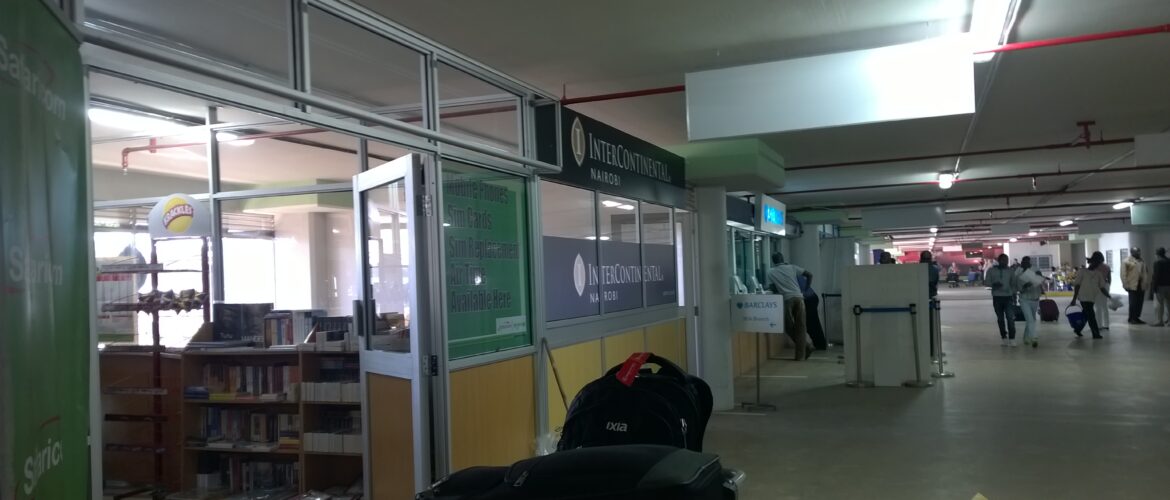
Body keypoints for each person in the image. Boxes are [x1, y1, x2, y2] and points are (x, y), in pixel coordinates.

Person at [767, 252, 814, 360]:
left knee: (788, 327)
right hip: (799, 298)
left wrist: (780, 286)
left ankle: (807, 346)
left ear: (773, 261)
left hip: (787, 300)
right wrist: (805, 290)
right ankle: (801, 355)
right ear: (783, 258)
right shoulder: (792, 267)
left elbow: (772, 288)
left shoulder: (770, 272)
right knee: (801, 327)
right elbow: (809, 274)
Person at [1072, 251, 1110, 339]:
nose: (1098, 265)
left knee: (1086, 315)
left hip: (1092, 297)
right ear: (1092, 261)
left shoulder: (1098, 274)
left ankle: (1077, 329)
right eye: (1097, 262)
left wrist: (1109, 296)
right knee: (1091, 315)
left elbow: (1102, 287)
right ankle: (1095, 333)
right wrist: (1074, 298)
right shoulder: (1082, 272)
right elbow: (1077, 285)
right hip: (1083, 297)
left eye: (1099, 263)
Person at [985, 254, 1019, 346]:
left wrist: (1013, 294)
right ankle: (1004, 337)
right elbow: (986, 282)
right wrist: (993, 284)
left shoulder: (1011, 271)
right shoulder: (991, 271)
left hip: (1008, 298)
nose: (1005, 262)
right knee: (1000, 319)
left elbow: (1014, 284)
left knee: (1010, 319)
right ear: (999, 261)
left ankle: (1012, 338)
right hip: (997, 298)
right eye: (1003, 260)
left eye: (1006, 260)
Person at [1016, 257, 1045, 348]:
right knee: (1030, 319)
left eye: (1027, 263)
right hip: (1024, 299)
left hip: (1035, 298)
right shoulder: (1018, 273)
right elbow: (1018, 288)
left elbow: (1041, 281)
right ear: (1021, 263)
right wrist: (1025, 286)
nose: (1025, 264)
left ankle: (1026, 337)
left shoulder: (1035, 270)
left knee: (1031, 319)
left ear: (1030, 263)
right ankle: (1034, 338)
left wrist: (1040, 277)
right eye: (1023, 263)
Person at [1122, 247, 1152, 325]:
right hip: (1132, 285)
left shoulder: (1142, 261)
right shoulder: (1126, 261)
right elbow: (1123, 274)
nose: (1139, 253)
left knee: (1139, 302)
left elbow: (1146, 272)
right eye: (1137, 252)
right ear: (1132, 252)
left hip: (1141, 284)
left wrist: (1147, 282)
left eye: (1139, 251)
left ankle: (1136, 317)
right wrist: (1125, 285)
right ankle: (1131, 318)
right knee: (1133, 302)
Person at [1150, 247, 1170, 327]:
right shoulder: (1169, 261)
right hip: (1169, 286)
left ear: (1157, 254)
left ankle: (1159, 321)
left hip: (1160, 286)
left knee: (1159, 304)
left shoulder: (1157, 262)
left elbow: (1156, 276)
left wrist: (1153, 287)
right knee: (1169, 304)